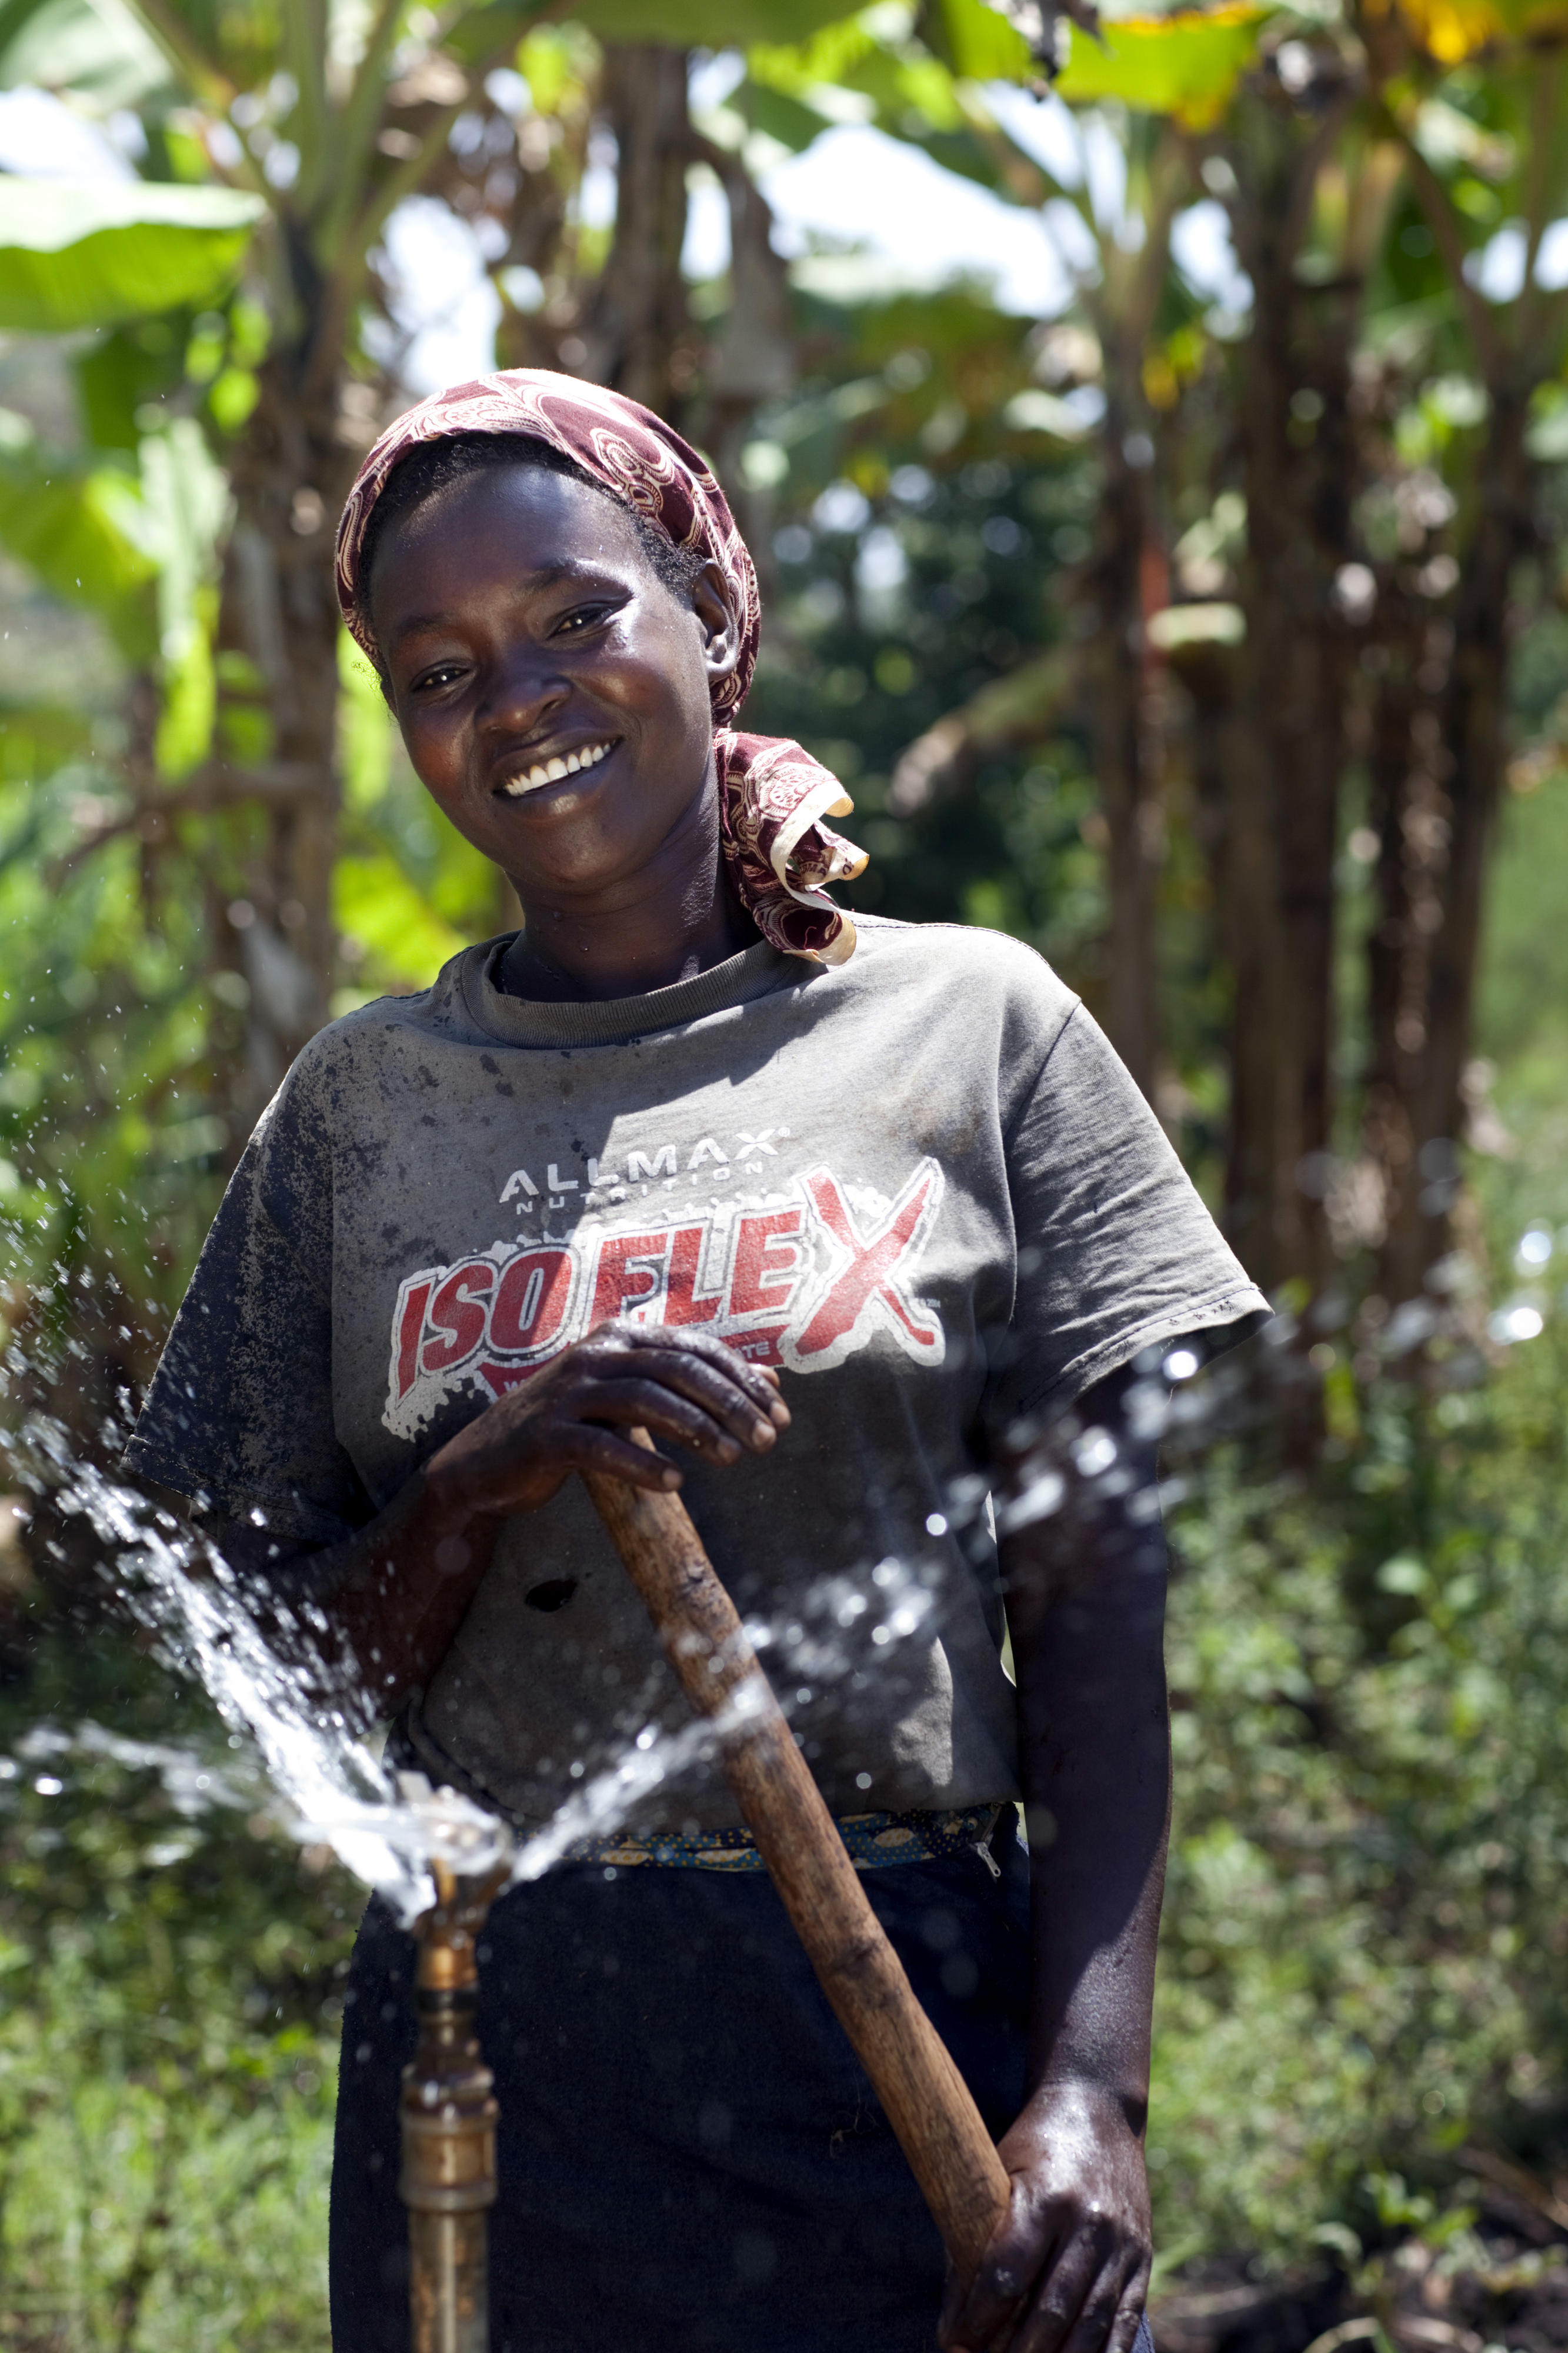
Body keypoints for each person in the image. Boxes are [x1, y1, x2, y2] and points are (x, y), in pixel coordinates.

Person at [126, 370, 1269, 2353]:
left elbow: (1093, 1625)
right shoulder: (362, 1110)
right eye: (442, 668)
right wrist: (482, 1476)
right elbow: (268, 1674)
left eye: (579, 618)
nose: (522, 699)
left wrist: (1089, 2094)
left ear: (706, 619)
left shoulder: (964, 1032)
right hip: (497, 2037)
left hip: (895, 2007)